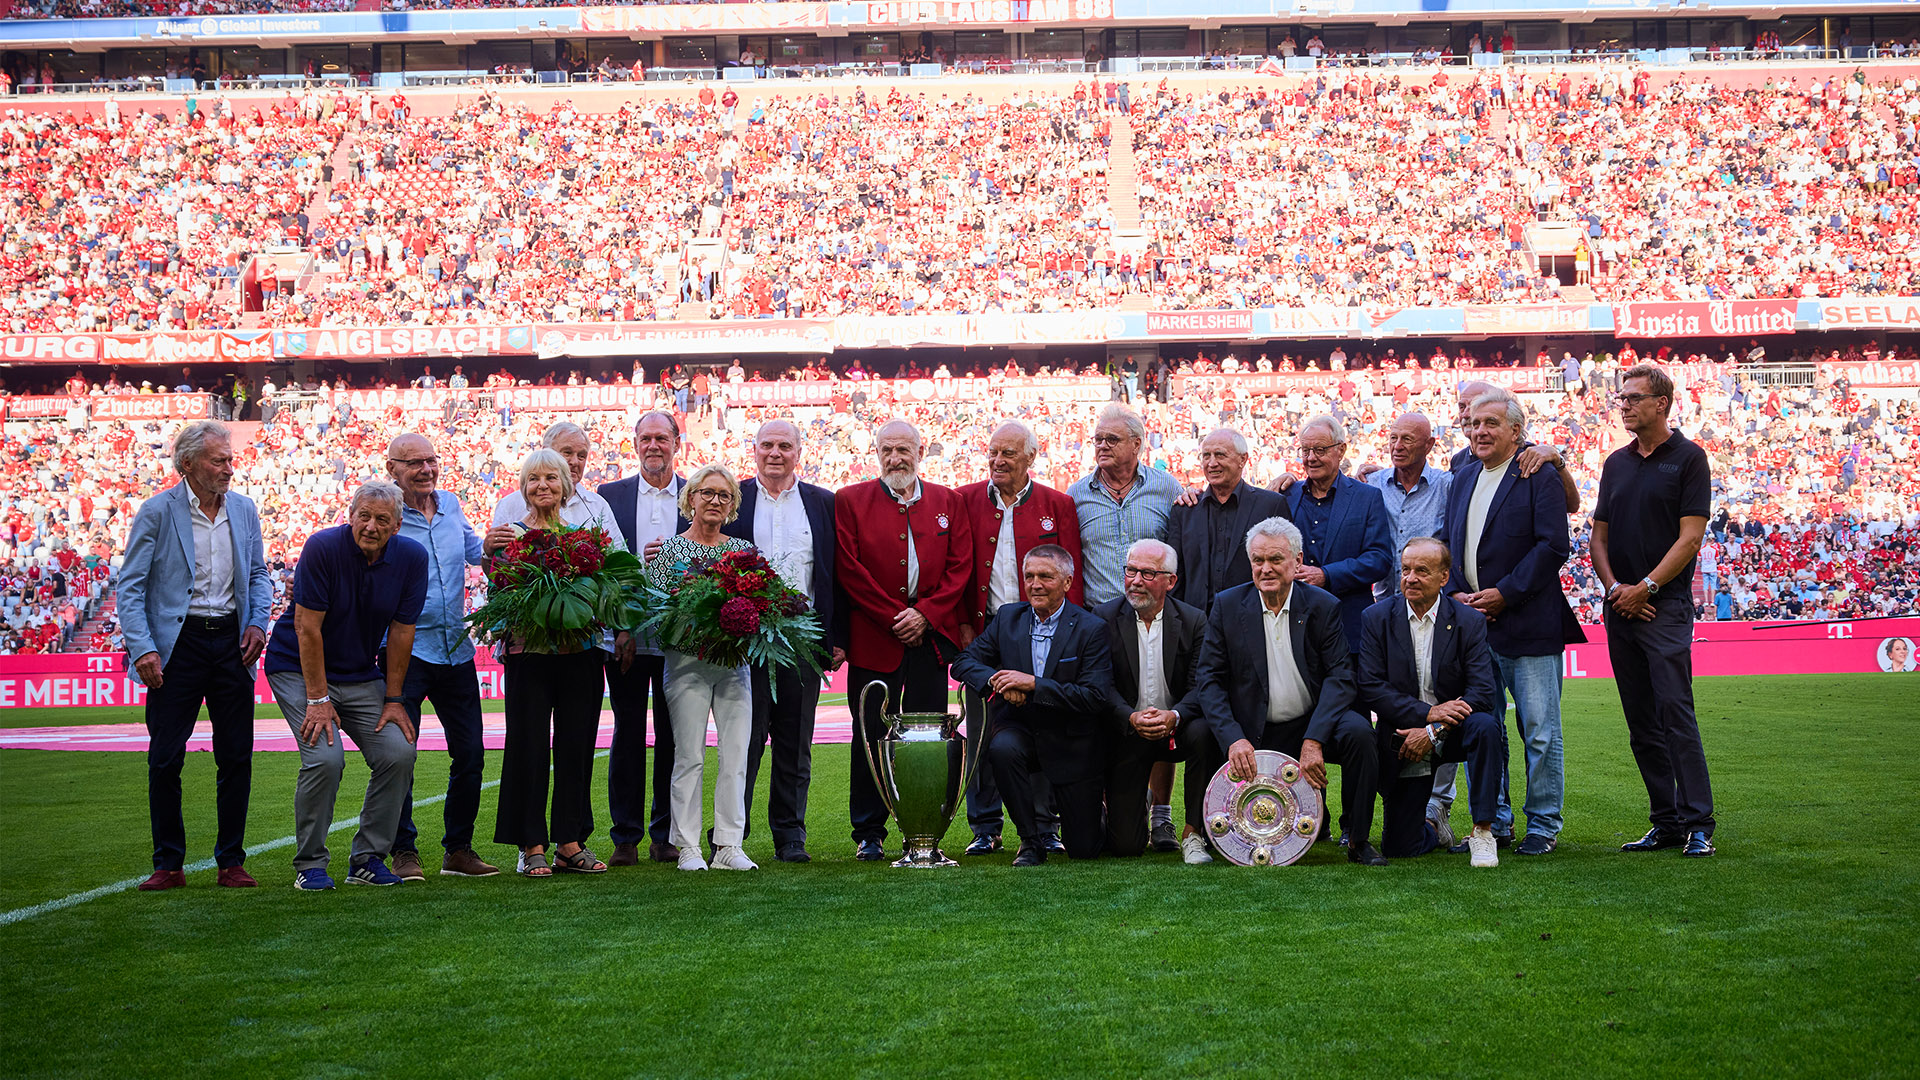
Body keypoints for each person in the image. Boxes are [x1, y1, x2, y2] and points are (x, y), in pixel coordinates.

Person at [118, 419, 271, 891]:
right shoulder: (157, 512)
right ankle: (168, 863)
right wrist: (142, 646)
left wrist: (257, 623)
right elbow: (131, 585)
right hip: (176, 649)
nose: (229, 467)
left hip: (231, 643)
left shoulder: (244, 510)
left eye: (229, 458)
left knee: (236, 757)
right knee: (165, 758)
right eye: (218, 460)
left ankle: (231, 861)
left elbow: (260, 575)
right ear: (188, 465)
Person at [1191, 516, 1387, 866]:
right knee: (1202, 731)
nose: (1265, 568)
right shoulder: (1227, 605)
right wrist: (1234, 738)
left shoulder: (1323, 605)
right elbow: (1208, 679)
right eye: (1258, 560)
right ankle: (1202, 833)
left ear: (1297, 562)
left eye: (1276, 560)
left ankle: (1358, 839)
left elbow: (1341, 676)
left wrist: (1314, 740)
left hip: (1311, 723)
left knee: (1359, 733)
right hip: (1253, 725)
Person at [262, 481, 427, 891]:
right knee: (325, 758)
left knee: (398, 751)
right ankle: (310, 864)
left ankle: (368, 858)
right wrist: (317, 699)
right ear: (350, 515)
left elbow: (403, 632)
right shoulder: (322, 547)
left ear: (397, 525)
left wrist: (393, 699)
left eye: (382, 520)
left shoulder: (412, 557)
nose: (371, 526)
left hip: (358, 672)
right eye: (364, 516)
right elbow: (307, 628)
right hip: (298, 668)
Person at [1442, 391, 1584, 857]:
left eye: (1491, 424)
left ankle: (1543, 824)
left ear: (1515, 432)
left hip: (1528, 625)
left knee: (1540, 730)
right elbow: (1452, 545)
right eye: (1474, 423)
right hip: (1476, 628)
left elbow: (1552, 546)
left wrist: (1505, 593)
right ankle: (1493, 823)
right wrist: (1458, 593)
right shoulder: (1461, 477)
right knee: (1484, 729)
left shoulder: (1537, 474)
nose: (1479, 431)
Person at [1592, 364, 1717, 858]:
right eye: (1621, 398)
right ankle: (1665, 822)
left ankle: (1699, 822)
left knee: (1675, 713)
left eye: (1633, 397)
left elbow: (1691, 537)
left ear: (1661, 402)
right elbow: (1598, 536)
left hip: (1663, 607)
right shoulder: (1615, 463)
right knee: (1640, 720)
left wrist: (1646, 587)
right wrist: (1617, 588)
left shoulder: (1690, 458)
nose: (1623, 404)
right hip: (1621, 605)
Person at [835, 419, 973, 861]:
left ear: (921, 450)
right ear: (876, 452)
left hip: (929, 641)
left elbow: (960, 567)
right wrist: (897, 617)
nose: (895, 458)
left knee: (928, 739)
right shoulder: (850, 500)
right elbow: (850, 570)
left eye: (903, 450)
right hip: (877, 637)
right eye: (887, 450)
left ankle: (924, 825)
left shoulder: (948, 501)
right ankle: (869, 833)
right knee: (870, 738)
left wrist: (926, 615)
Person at [956, 419, 1082, 856]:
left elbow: (1073, 573)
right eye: (993, 452)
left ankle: (1044, 826)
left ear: (1031, 457)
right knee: (981, 732)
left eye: (1008, 453)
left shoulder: (1057, 503)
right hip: (988, 631)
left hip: (1045, 627)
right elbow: (955, 569)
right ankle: (985, 826)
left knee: (1042, 729)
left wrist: (1070, 631)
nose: (998, 460)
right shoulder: (965, 500)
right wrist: (963, 626)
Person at [721, 420, 844, 864]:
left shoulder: (823, 503)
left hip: (802, 639)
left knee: (795, 742)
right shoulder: (731, 498)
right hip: (742, 641)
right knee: (743, 740)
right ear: (753, 450)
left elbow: (835, 575)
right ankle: (731, 833)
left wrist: (836, 637)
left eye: (784, 446)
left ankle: (790, 835)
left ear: (799, 452)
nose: (776, 453)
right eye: (768, 445)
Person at [492, 450, 616, 879]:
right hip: (528, 655)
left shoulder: (586, 537)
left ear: (566, 485)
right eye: (534, 479)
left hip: (580, 655)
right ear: (523, 487)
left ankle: (569, 841)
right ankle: (531, 845)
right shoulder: (509, 537)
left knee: (576, 746)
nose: (542, 486)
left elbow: (604, 594)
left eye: (551, 478)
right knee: (526, 745)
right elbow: (501, 598)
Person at [951, 546, 1115, 865]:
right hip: (1021, 728)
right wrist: (998, 681)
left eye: (1045, 576)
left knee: (1085, 849)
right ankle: (1030, 840)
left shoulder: (1091, 628)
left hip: (1071, 739)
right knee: (1002, 748)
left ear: (1067, 582)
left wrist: (1033, 685)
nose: (1035, 584)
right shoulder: (1008, 618)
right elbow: (963, 662)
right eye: (1029, 576)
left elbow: (1094, 696)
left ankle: (1099, 811)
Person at [386, 434, 498, 880]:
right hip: (404, 652)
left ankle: (459, 850)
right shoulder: (384, 509)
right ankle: (403, 851)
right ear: (392, 467)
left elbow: (475, 551)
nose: (426, 469)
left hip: (456, 648)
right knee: (400, 755)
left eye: (431, 460)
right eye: (414, 463)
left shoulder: (450, 503)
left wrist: (497, 545)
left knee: (470, 753)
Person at [1356, 538, 1507, 867]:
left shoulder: (1468, 621)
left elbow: (1482, 691)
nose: (1410, 578)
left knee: (1486, 727)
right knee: (1400, 847)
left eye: (1421, 571)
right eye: (1405, 569)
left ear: (1443, 577)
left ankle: (1483, 832)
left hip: (1452, 731)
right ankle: (1433, 827)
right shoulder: (1376, 618)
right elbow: (1370, 687)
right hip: (1404, 736)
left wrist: (1434, 728)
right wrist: (1427, 714)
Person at [646, 464, 759, 872]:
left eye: (723, 496)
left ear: (732, 505)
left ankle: (729, 845)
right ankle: (689, 846)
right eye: (707, 493)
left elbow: (760, 609)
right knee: (689, 755)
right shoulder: (667, 552)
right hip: (686, 663)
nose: (714, 501)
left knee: (736, 754)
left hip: (733, 664)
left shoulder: (743, 552)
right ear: (690, 497)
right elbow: (657, 615)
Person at [596, 411, 687, 866]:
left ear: (677, 442)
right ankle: (625, 837)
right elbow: (602, 569)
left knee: (675, 737)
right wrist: (619, 625)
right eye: (645, 438)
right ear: (634, 443)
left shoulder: (696, 494)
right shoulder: (609, 496)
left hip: (678, 637)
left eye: (662, 438)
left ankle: (665, 834)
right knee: (627, 733)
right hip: (626, 636)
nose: (654, 446)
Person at [1093, 539, 1210, 862]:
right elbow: (1100, 685)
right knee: (1126, 847)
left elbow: (1202, 685)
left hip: (1179, 727)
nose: (1135, 581)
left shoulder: (1194, 621)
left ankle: (1194, 831)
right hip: (1128, 730)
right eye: (1131, 571)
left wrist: (1175, 715)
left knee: (1204, 732)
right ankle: (1136, 803)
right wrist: (1129, 717)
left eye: (1147, 573)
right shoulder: (1102, 618)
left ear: (1170, 581)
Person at [1285, 416, 1393, 653]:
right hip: (1292, 629)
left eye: (1320, 450)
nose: (1311, 458)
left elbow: (1379, 559)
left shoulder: (1366, 497)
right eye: (1306, 450)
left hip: (1347, 626)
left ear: (1341, 450)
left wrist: (1327, 575)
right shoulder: (1286, 494)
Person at [1069, 403, 1181, 608]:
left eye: (1112, 439)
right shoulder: (1076, 495)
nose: (1102, 445)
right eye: (1098, 439)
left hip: (1153, 614)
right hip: (1097, 618)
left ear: (1136, 445)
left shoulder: (1166, 487)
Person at [1448, 380, 1581, 513]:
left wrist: (1557, 462)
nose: (1465, 414)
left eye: (1473, 406)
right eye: (1461, 407)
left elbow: (1571, 505)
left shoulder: (1530, 457)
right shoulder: (1458, 461)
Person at [1364, 413, 1451, 600]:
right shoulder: (1372, 484)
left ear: (1429, 445)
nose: (1397, 446)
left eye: (1407, 439)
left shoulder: (1447, 486)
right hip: (1385, 603)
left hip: (1432, 604)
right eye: (1393, 438)